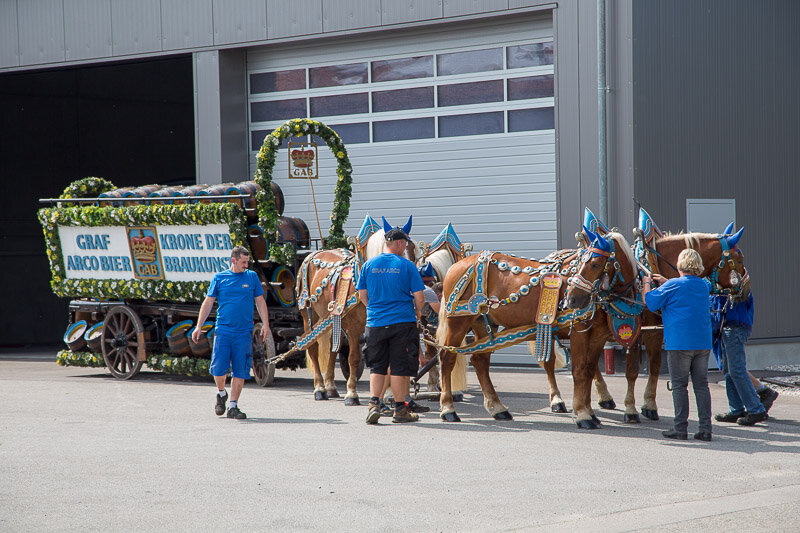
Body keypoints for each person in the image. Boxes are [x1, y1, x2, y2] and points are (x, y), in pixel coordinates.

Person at [357, 226, 426, 424]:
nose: (405, 248)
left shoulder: (368, 265)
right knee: (399, 367)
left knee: (377, 366)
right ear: (398, 243)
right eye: (404, 244)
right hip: (402, 323)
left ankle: (373, 405)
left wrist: (375, 310)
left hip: (375, 323)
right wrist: (417, 312)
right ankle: (400, 410)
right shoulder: (407, 266)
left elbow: (363, 295)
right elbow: (419, 297)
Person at [643, 249, 713, 442]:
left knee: (680, 386)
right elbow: (686, 288)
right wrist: (668, 282)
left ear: (680, 264)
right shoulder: (704, 285)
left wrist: (647, 284)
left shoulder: (673, 285)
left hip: (680, 343)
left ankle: (680, 428)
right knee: (701, 386)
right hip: (703, 343)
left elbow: (650, 302)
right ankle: (705, 429)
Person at [193, 246, 270, 420]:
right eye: (243, 262)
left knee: (240, 371)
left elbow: (260, 301)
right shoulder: (220, 278)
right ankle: (221, 393)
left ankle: (233, 406)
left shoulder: (252, 277)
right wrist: (199, 326)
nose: (246, 265)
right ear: (233, 260)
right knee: (219, 369)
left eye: (247, 262)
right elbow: (208, 302)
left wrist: (265, 324)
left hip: (244, 332)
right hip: (224, 331)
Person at [711, 293, 773, 425]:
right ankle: (736, 410)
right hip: (727, 326)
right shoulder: (719, 278)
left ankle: (756, 410)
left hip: (733, 326)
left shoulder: (732, 276)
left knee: (736, 370)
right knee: (729, 371)